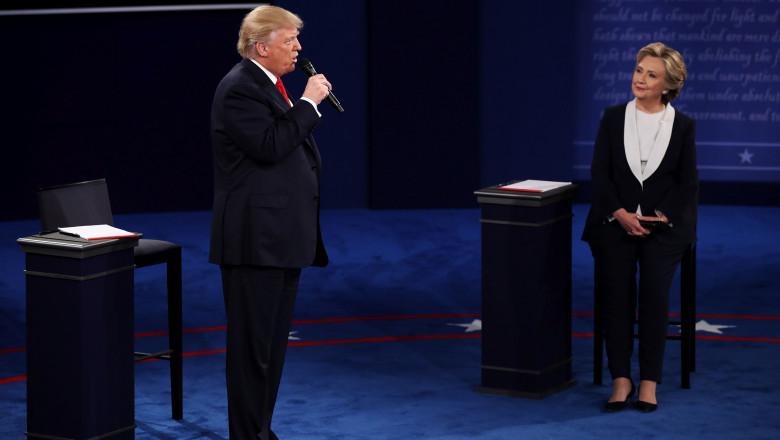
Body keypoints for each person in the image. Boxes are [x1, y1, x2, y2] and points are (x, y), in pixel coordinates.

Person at [208, 5, 333, 439]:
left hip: (279, 238)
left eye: (297, 39)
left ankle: (261, 431)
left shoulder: (271, 85)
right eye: (288, 41)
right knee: (251, 352)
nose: (298, 48)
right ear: (261, 47)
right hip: (253, 240)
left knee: (271, 349)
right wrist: (309, 103)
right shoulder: (240, 88)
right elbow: (269, 145)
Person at [581, 42, 698, 413]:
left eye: (651, 75)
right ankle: (621, 379)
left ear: (668, 85)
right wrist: (619, 212)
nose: (640, 79)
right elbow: (599, 173)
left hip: (663, 228)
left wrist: (660, 216)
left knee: (653, 295)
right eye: (638, 71)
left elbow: (686, 182)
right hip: (614, 222)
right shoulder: (613, 117)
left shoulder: (682, 126)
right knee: (616, 298)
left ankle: (649, 380)